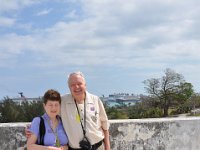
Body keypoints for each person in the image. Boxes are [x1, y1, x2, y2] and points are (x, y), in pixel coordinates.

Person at [61, 71, 110, 150]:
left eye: (79, 84)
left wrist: (107, 148)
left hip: (98, 146)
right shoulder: (62, 102)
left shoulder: (95, 100)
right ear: (69, 87)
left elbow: (105, 126)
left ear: (85, 85)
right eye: (72, 85)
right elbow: (49, 113)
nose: (76, 87)